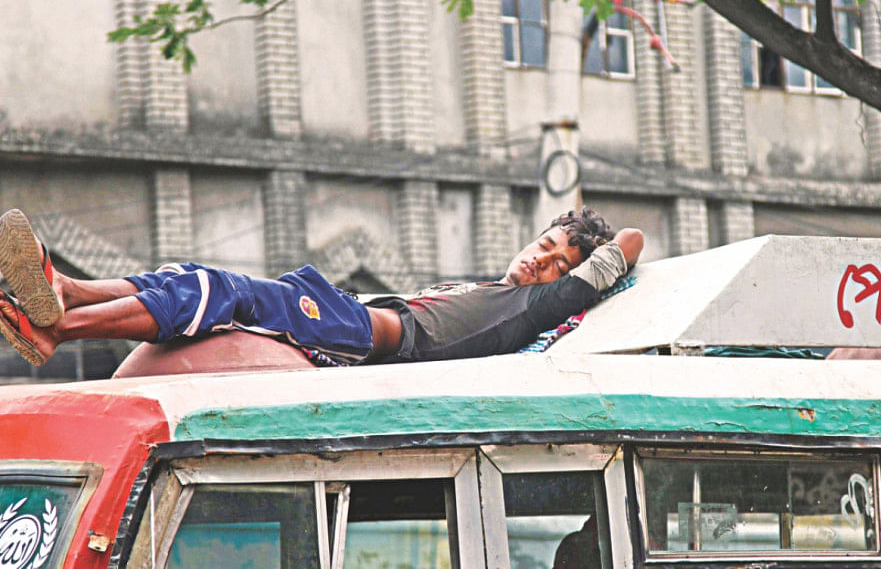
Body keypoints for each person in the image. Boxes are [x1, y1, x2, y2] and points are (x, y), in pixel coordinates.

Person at [0, 207, 643, 367]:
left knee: (224, 291)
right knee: (183, 274)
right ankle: (68, 291)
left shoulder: (534, 308)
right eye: (544, 245)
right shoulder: (477, 286)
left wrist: (584, 267)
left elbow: (631, 242)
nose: (542, 261)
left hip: (364, 334)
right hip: (351, 313)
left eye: (560, 264)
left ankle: (59, 328)